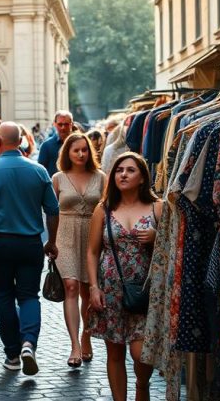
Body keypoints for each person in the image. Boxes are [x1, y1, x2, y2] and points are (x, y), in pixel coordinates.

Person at [0, 123, 59, 376]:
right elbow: (52, 210)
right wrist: (51, 241)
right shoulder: (39, 170)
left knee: (5, 297)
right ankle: (29, 342)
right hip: (30, 243)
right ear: (20, 141)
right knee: (29, 295)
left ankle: (12, 354)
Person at [87, 152, 160, 401]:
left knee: (141, 353)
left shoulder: (157, 207)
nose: (123, 174)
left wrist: (156, 237)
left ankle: (142, 385)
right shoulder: (103, 209)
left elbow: (174, 248)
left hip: (145, 290)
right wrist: (94, 287)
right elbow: (93, 251)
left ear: (142, 178)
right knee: (115, 353)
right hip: (111, 288)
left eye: (130, 170)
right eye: (119, 170)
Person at [51, 132, 106, 368]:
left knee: (87, 291)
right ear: (68, 153)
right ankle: (74, 344)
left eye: (85, 149)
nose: (81, 154)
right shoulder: (58, 178)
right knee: (71, 287)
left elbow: (108, 209)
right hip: (65, 236)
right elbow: (50, 213)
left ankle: (86, 336)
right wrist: (50, 241)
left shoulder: (101, 177)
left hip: (92, 236)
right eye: (76, 150)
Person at [39, 110, 74, 176]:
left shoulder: (78, 144)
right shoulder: (46, 146)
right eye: (60, 124)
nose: (63, 127)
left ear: (71, 124)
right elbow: (41, 171)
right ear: (54, 124)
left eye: (66, 124)